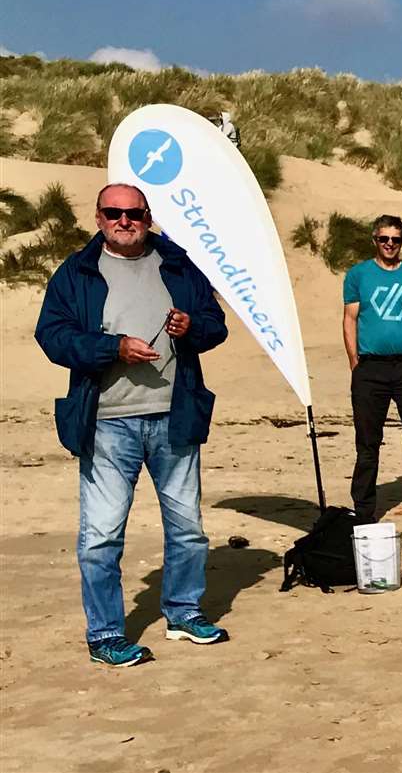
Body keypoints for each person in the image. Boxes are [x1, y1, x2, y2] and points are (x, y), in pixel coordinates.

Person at [34, 183, 231, 666]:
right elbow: (52, 335)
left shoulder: (179, 264)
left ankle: (183, 612)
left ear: (148, 215)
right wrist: (112, 349)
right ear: (98, 217)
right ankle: (105, 635)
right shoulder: (77, 271)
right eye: (113, 213)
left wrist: (192, 327)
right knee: (101, 535)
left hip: (174, 415)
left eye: (134, 213)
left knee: (188, 529)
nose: (125, 221)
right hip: (105, 421)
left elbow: (214, 322)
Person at [342, 214, 402, 521]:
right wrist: (355, 363)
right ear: (375, 240)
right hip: (371, 369)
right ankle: (365, 509)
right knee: (367, 443)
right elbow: (350, 320)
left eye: (396, 239)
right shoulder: (359, 275)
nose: (390, 245)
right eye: (385, 239)